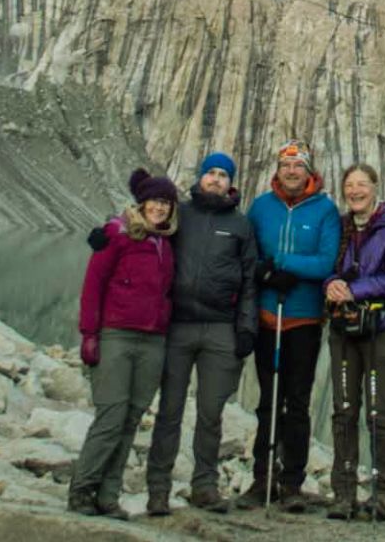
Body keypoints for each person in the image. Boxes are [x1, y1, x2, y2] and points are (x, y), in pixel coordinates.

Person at [141, 152, 258, 515]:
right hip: (177, 325)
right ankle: (158, 489)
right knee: (170, 411)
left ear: (231, 183)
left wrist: (246, 328)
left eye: (224, 175)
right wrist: (110, 232)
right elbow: (144, 230)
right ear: (202, 177)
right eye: (212, 173)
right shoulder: (182, 215)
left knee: (211, 412)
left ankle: (204, 485)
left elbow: (250, 280)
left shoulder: (241, 225)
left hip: (220, 328)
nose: (217, 179)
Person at [68, 168, 178, 518]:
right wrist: (89, 334)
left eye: (165, 202)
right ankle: (82, 490)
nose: (159, 208)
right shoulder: (117, 233)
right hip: (117, 334)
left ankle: (108, 496)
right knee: (111, 415)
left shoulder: (166, 241)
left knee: (131, 418)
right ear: (142, 203)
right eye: (155, 201)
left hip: (153, 339)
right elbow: (93, 284)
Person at [240, 139, 341, 512]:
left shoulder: (325, 210)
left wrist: (281, 261)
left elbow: (324, 263)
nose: (292, 171)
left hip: (303, 320)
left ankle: (292, 482)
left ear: (309, 170)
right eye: (286, 166)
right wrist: (264, 270)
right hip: (268, 317)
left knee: (297, 402)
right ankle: (262, 477)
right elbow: (247, 254)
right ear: (278, 170)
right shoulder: (261, 207)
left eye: (299, 165)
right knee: (268, 400)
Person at [323, 163, 385, 521]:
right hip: (344, 330)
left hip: (381, 329)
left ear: (375, 187)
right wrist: (330, 284)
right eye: (349, 185)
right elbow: (327, 265)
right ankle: (343, 493)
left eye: (362, 184)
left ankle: (384, 492)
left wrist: (353, 290)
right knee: (344, 410)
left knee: (379, 413)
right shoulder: (341, 227)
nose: (355, 191)